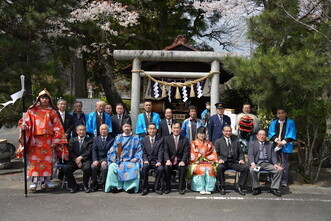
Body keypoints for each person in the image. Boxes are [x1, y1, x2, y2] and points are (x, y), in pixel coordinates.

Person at [17, 89, 68, 191]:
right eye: (42, 97)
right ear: (38, 99)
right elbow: (25, 122)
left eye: (46, 98)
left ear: (49, 99)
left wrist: (55, 140)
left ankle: (47, 180)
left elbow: (57, 127)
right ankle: (34, 182)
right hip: (34, 140)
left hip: (48, 140)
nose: (44, 100)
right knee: (35, 161)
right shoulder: (31, 111)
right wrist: (23, 126)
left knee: (48, 161)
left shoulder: (52, 111)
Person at [105, 122, 142, 193]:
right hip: (120, 160)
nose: (126, 128)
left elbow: (139, 149)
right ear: (122, 128)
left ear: (131, 127)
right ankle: (116, 186)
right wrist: (116, 158)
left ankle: (130, 187)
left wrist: (136, 158)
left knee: (135, 167)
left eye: (128, 126)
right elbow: (113, 149)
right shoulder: (118, 137)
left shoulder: (135, 138)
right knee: (112, 166)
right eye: (125, 126)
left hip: (131, 160)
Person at [214, 125, 249, 195]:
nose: (228, 133)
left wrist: (241, 159)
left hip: (234, 161)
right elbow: (215, 153)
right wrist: (219, 159)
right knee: (219, 168)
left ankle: (239, 185)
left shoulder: (236, 141)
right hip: (224, 161)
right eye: (226, 131)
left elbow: (241, 152)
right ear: (223, 132)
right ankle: (222, 186)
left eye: (229, 131)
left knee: (245, 168)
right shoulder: (218, 141)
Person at [249, 129, 283, 197]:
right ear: (257, 136)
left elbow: (273, 155)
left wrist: (275, 164)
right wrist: (253, 164)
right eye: (260, 134)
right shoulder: (252, 143)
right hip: (257, 163)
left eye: (263, 135)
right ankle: (256, 188)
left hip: (267, 164)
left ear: (265, 136)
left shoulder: (269, 144)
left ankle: (274, 188)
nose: (262, 136)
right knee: (252, 170)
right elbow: (250, 155)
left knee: (279, 170)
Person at [268, 108, 296, 187]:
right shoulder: (274, 123)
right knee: (273, 162)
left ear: (285, 114)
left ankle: (284, 181)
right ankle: (272, 178)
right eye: (279, 113)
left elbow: (291, 133)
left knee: (284, 164)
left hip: (286, 145)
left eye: (282, 113)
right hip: (275, 145)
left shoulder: (290, 122)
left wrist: (282, 142)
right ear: (277, 115)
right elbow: (270, 132)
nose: (281, 114)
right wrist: (277, 141)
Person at [187, 127, 218, 195]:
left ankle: (209, 188)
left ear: (205, 135)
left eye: (203, 134)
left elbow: (212, 152)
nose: (201, 135)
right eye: (200, 134)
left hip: (207, 161)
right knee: (201, 169)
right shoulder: (193, 143)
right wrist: (198, 159)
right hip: (196, 162)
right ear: (197, 134)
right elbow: (192, 153)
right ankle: (200, 188)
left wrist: (207, 159)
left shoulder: (208, 143)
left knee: (210, 168)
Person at [63, 125, 93, 193]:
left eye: (83, 130)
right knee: (66, 168)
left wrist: (81, 157)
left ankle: (85, 185)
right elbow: (70, 151)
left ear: (85, 131)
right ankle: (73, 185)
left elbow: (89, 151)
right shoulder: (72, 140)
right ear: (77, 132)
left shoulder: (90, 140)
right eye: (80, 130)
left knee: (87, 168)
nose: (81, 131)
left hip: (85, 160)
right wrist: (76, 159)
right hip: (74, 160)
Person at [163, 122, 190, 194]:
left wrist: (183, 161)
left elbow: (186, 152)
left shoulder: (185, 139)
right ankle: (167, 187)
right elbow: (165, 151)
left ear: (180, 129)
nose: (176, 129)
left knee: (183, 168)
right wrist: (167, 160)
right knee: (166, 167)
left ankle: (181, 188)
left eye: (178, 128)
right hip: (170, 160)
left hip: (180, 161)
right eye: (174, 128)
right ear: (171, 129)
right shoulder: (166, 138)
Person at [141, 123, 164, 195]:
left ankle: (156, 187)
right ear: (147, 130)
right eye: (150, 129)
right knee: (144, 168)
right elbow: (143, 151)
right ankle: (145, 188)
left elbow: (161, 151)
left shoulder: (160, 139)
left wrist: (159, 161)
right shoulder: (144, 140)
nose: (152, 130)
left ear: (156, 130)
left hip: (156, 161)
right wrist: (145, 160)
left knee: (160, 169)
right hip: (147, 160)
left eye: (154, 128)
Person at [91, 124, 115, 191]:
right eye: (102, 129)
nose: (103, 131)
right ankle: (94, 184)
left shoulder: (112, 139)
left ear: (108, 130)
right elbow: (94, 150)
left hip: (106, 159)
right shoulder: (95, 139)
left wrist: (106, 160)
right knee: (93, 167)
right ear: (99, 130)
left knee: (104, 168)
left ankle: (104, 184)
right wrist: (95, 160)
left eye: (105, 129)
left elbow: (112, 152)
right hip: (98, 159)